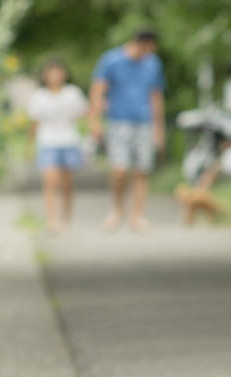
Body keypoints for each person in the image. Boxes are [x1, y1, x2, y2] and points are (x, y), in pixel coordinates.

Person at [89, 29, 166, 232]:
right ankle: (117, 209)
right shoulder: (111, 60)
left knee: (142, 169)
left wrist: (159, 127)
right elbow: (98, 90)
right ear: (142, 43)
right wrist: (94, 121)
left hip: (145, 122)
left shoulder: (153, 63)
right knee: (119, 169)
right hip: (118, 121)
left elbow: (156, 96)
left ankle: (137, 215)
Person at [27, 58, 88, 233]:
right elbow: (35, 122)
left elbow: (84, 115)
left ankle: (66, 219)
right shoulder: (39, 96)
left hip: (69, 141)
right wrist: (29, 146)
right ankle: (51, 220)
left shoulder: (73, 93)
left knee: (67, 185)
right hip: (48, 142)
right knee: (50, 183)